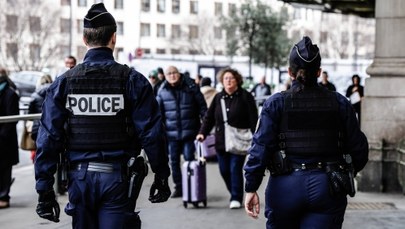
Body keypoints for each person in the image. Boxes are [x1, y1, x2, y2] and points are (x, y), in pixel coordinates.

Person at [34, 3, 171, 228]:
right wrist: (162, 175)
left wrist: (44, 189)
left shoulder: (64, 83)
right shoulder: (132, 81)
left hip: (79, 179)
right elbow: (152, 133)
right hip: (117, 178)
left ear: (85, 40)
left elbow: (49, 137)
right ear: (114, 38)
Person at [244, 36, 369, 228]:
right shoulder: (340, 103)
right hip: (327, 186)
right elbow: (359, 149)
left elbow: (261, 147)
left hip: (285, 186)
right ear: (319, 72)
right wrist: (346, 171)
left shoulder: (276, 103)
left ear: (289, 73)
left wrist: (251, 187)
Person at [197, 68, 258, 209]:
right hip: (221, 141)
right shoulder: (218, 97)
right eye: (226, 78)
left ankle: (236, 197)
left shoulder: (245, 96)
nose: (228, 81)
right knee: (224, 170)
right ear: (222, 81)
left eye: (231, 78)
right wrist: (202, 132)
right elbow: (209, 117)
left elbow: (253, 119)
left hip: (239, 141)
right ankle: (234, 193)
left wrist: (257, 137)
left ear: (237, 80)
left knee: (235, 168)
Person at [156, 65, 207, 198]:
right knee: (173, 161)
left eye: (174, 73)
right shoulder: (162, 91)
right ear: (165, 77)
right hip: (171, 134)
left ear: (179, 74)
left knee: (189, 159)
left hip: (190, 132)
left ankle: (191, 185)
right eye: (169, 74)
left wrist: (204, 128)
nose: (172, 75)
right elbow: (158, 114)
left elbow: (202, 107)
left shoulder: (191, 87)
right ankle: (179, 187)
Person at [0, 68, 20, 209]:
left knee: (4, 169)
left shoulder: (9, 93)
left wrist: (2, 136)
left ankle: (3, 196)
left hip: (4, 140)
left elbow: (12, 119)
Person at [27, 74, 53, 162]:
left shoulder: (34, 95)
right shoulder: (55, 92)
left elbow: (30, 114)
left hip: (37, 128)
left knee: (39, 150)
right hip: (52, 126)